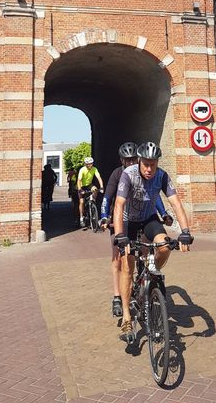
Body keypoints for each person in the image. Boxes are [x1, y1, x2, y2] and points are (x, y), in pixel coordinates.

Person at [113, 141, 193, 343]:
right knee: (127, 265)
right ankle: (127, 317)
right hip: (128, 221)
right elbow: (119, 205)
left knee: (165, 245)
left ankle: (150, 273)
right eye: (146, 164)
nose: (149, 169)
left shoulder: (162, 176)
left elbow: (175, 202)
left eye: (153, 164)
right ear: (140, 161)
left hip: (149, 219)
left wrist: (185, 231)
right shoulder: (128, 174)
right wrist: (120, 236)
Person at [100, 142, 173, 317]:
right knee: (118, 257)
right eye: (128, 160)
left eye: (134, 159)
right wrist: (104, 215)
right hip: (119, 219)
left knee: (146, 249)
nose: (131, 162)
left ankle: (144, 281)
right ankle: (118, 296)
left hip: (142, 217)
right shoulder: (119, 174)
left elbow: (152, 196)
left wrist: (164, 214)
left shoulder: (144, 175)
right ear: (122, 160)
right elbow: (108, 196)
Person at [77, 156, 104, 228]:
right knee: (82, 202)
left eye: (91, 163)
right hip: (82, 186)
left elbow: (99, 178)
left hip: (89, 185)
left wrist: (101, 187)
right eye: (88, 164)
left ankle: (92, 202)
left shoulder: (94, 169)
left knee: (95, 189)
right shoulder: (82, 170)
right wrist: (80, 189)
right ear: (85, 164)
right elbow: (79, 181)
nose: (90, 165)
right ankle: (81, 217)